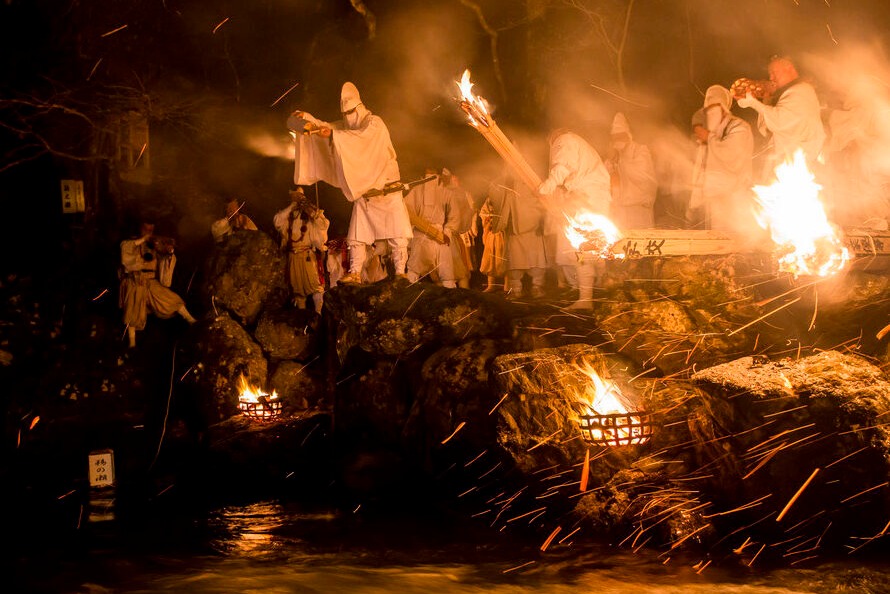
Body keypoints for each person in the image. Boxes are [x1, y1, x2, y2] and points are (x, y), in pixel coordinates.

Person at [287, 82, 412, 284]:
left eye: (350, 112)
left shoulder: (375, 123)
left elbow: (361, 139)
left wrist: (334, 135)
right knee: (356, 236)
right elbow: (327, 127)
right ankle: (354, 272)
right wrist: (307, 119)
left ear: (359, 108)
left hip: (387, 189)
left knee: (397, 234)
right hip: (365, 193)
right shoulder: (346, 127)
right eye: (344, 114)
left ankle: (400, 272)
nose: (347, 117)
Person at [538, 129, 612, 308]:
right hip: (591, 197)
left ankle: (587, 299)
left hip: (588, 198)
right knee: (592, 247)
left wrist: (546, 187)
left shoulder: (565, 140)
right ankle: (600, 287)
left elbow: (563, 166)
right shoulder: (579, 143)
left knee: (583, 247)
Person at [736, 55, 825, 176]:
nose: (771, 78)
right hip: (785, 165)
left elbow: (781, 121)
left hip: (799, 166)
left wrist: (753, 103)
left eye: (774, 72)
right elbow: (767, 129)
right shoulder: (791, 93)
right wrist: (766, 98)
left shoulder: (802, 91)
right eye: (770, 74)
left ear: (789, 68)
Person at [687, 85, 754, 232]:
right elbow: (700, 169)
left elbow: (732, 155)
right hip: (711, 202)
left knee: (734, 243)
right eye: (708, 109)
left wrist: (709, 138)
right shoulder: (708, 136)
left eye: (715, 107)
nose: (711, 112)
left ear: (724, 107)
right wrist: (695, 200)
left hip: (733, 199)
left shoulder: (739, 126)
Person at [119, 220, 196, 348]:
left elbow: (164, 258)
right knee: (133, 309)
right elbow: (125, 250)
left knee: (170, 299)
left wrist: (170, 252)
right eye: (146, 229)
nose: (149, 232)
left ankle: (191, 320)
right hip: (135, 280)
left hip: (150, 281)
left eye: (151, 230)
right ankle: (132, 342)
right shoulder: (131, 242)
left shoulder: (154, 244)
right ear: (141, 228)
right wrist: (143, 239)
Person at [486, 169, 548, 299]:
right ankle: (516, 290)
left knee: (536, 261)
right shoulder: (506, 183)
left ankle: (537, 288)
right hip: (514, 230)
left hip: (534, 229)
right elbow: (497, 193)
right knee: (515, 262)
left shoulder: (533, 179)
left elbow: (543, 202)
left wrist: (542, 221)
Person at [273, 187, 330, 313]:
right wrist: (292, 206)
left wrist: (311, 211)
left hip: (307, 255)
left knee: (316, 287)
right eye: (294, 196)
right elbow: (277, 222)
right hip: (293, 257)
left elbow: (324, 224)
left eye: (298, 196)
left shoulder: (310, 213)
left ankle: (318, 314)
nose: (296, 198)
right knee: (297, 291)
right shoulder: (288, 215)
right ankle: (302, 317)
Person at [404, 169, 458, 287]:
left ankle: (451, 299)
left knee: (446, 272)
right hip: (420, 233)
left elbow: (454, 216)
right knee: (414, 268)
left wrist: (447, 232)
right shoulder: (417, 190)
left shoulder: (446, 192)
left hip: (440, 235)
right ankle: (408, 295)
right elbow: (407, 211)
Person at [606, 112, 658, 229]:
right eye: (614, 137)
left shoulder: (640, 150)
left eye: (620, 136)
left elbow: (644, 178)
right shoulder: (614, 156)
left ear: (628, 135)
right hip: (619, 212)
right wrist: (610, 160)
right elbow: (605, 177)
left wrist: (620, 163)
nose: (617, 140)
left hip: (638, 211)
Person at [478, 197, 507, 293]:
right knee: (489, 259)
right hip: (491, 234)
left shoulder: (506, 197)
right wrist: (488, 219)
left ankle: (508, 285)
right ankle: (491, 285)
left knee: (504, 259)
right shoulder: (489, 199)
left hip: (503, 234)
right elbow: (483, 212)